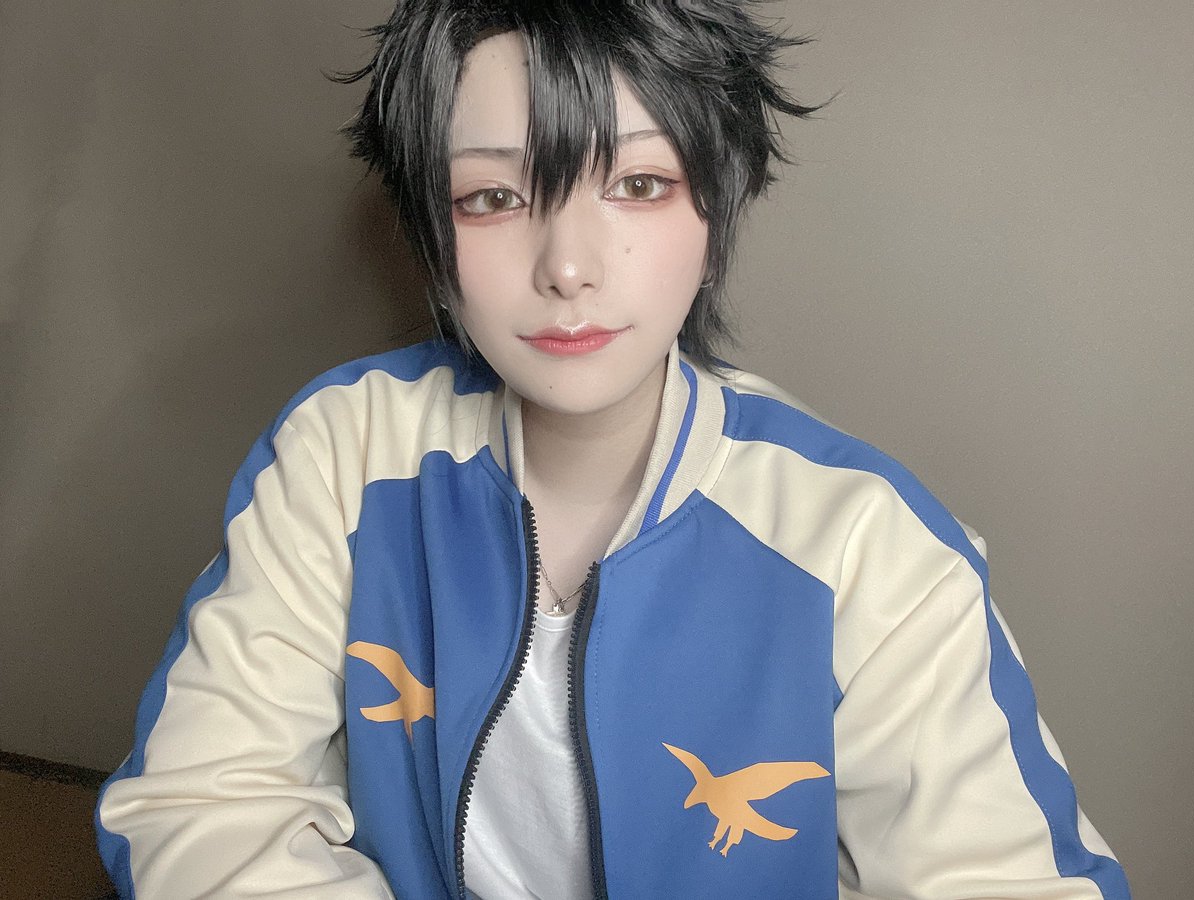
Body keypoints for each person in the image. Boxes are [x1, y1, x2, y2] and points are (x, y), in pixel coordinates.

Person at [95, 3, 1130, 898]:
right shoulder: (344, 453)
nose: (569, 266)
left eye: (638, 183)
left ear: (717, 208)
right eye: (494, 197)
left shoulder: (870, 552)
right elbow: (199, 803)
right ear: (433, 239)